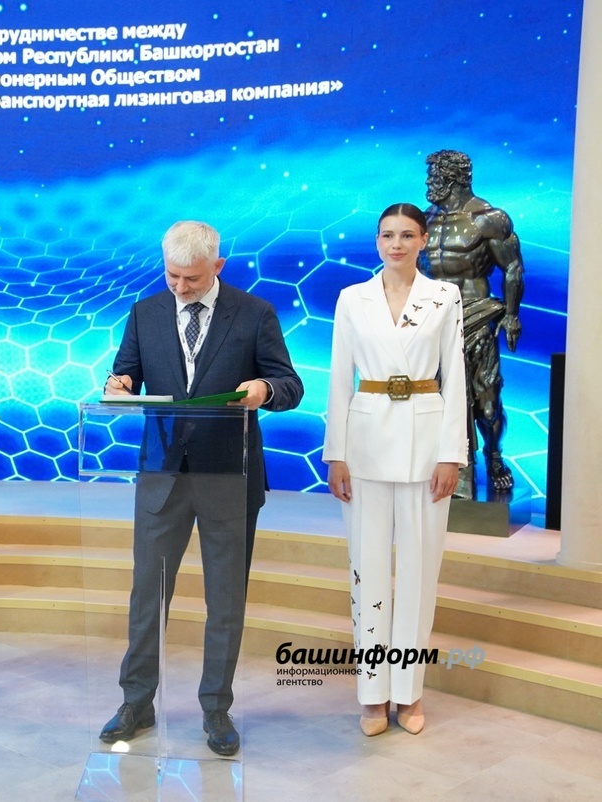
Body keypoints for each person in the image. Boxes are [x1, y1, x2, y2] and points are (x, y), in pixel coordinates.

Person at [102, 220, 303, 756]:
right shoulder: (145, 313)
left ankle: (216, 708)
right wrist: (117, 386)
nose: (180, 287)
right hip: (162, 476)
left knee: (225, 600)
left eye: (191, 278)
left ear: (218, 266)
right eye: (172, 276)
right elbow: (124, 375)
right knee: (147, 596)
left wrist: (264, 389)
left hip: (229, 476)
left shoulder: (254, 313)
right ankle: (136, 701)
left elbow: (290, 385)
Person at [324, 203, 467, 736]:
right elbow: (339, 377)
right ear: (377, 241)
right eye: (388, 235)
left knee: (419, 573)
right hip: (364, 443)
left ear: (424, 240)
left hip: (427, 444)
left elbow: (456, 375)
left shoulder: (444, 296)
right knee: (366, 569)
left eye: (407, 235)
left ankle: (408, 692)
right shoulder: (352, 298)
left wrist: (452, 453)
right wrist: (335, 452)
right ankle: (372, 694)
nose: (397, 244)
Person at [423, 150, 524, 495]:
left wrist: (511, 315)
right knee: (434, 399)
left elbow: (512, 267)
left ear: (452, 178)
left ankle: (493, 453)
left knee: (487, 405)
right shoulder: (423, 221)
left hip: (476, 316)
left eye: (434, 175)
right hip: (432, 320)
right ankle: (450, 466)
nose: (429, 182)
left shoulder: (488, 219)